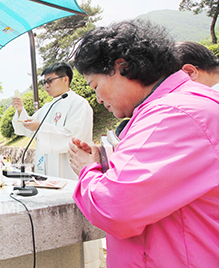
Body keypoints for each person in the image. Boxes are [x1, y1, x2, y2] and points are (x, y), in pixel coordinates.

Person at [68, 19, 219, 267]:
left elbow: (114, 209)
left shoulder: (173, 113)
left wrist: (87, 170)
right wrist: (103, 162)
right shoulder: (184, 103)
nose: (97, 98)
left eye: (95, 85)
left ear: (121, 66)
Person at [12, 62, 93, 180]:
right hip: (47, 167)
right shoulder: (48, 106)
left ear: (65, 79)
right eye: (44, 82)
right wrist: (20, 110)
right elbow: (28, 126)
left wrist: (40, 127)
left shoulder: (79, 104)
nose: (46, 86)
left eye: (50, 81)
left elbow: (73, 138)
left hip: (68, 168)